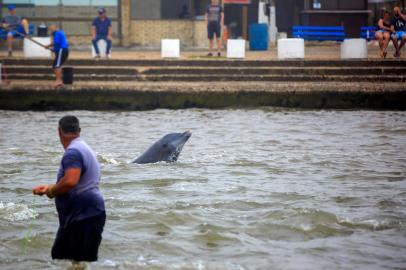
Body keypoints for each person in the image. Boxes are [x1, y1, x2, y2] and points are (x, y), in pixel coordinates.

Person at [33, 116, 106, 262]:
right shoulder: (83, 147)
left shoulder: (73, 152)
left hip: (84, 215)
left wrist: (51, 191)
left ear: (59, 132)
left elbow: (70, 182)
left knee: (72, 260)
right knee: (64, 259)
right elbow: (77, 182)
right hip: (85, 214)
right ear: (79, 131)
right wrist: (49, 187)